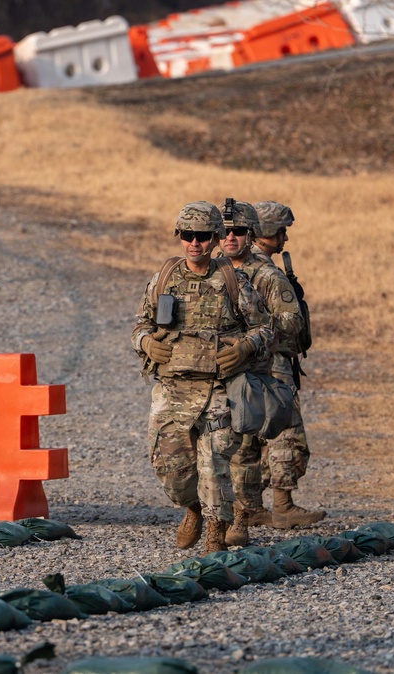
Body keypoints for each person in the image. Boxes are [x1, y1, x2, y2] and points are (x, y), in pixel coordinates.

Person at [132, 201, 273, 553]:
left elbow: (265, 329)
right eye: (188, 236)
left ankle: (215, 532)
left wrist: (243, 349)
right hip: (173, 390)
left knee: (215, 465)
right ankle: (192, 509)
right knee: (170, 469)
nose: (194, 243)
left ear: (214, 239)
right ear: (180, 237)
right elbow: (140, 326)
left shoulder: (232, 281)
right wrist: (147, 343)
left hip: (218, 389)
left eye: (202, 236)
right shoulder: (163, 278)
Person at [217, 199, 323, 540]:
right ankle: (278, 505)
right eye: (280, 232)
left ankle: (247, 513)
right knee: (284, 434)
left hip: (246, 364)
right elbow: (289, 322)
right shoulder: (261, 273)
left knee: (246, 440)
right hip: (268, 364)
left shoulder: (235, 269)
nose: (284, 239)